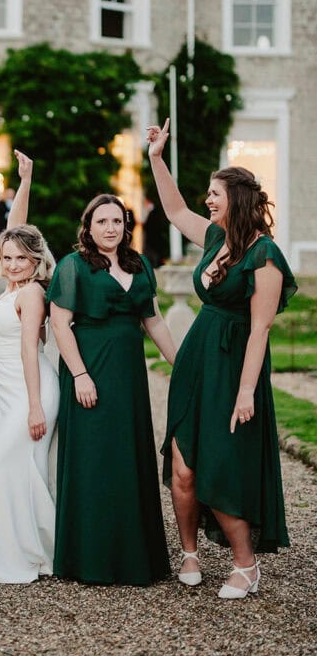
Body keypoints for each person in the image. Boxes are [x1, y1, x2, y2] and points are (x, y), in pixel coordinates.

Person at [147, 119, 296, 599]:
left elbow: (260, 328)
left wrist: (247, 389)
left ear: (239, 198)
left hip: (234, 368)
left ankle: (245, 565)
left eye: (214, 193)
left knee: (224, 462)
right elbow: (172, 209)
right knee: (183, 461)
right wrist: (155, 157)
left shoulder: (265, 256)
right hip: (196, 360)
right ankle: (189, 553)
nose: (207, 200)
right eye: (207, 193)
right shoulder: (213, 238)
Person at [48, 194, 177, 586]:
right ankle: (90, 559)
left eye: (117, 221)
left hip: (129, 377)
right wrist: (81, 375)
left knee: (128, 456)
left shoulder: (140, 265)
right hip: (89, 370)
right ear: (88, 227)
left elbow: (153, 322)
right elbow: (59, 324)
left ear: (126, 225)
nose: (110, 228)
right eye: (102, 221)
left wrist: (184, 366)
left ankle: (135, 557)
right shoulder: (73, 266)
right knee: (93, 461)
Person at [0, 152, 60, 583]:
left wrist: (35, 407)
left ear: (36, 262)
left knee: (5, 466)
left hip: (32, 392)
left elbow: (27, 350)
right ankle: (0, 550)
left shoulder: (32, 293)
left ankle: (28, 553)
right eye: (9, 258)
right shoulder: (10, 285)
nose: (15, 263)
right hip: (10, 398)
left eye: (23, 258)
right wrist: (25, 180)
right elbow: (13, 232)